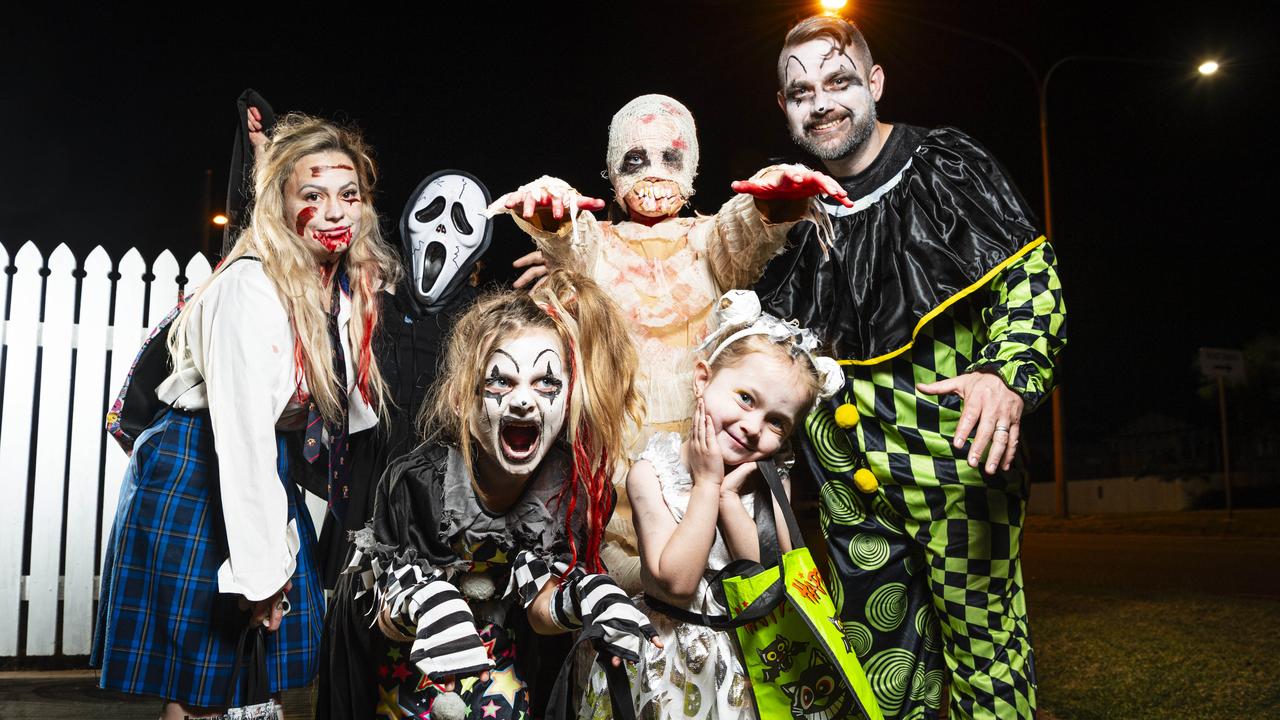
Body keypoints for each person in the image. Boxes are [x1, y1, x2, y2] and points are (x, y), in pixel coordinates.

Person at [753, 15, 1068, 720]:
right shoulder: (783, 212)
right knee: (882, 680)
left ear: (874, 82)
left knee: (988, 670)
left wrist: (1005, 374)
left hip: (955, 472)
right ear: (784, 106)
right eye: (800, 91)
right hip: (846, 491)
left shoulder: (944, 163)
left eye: (838, 82)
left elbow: (1031, 280)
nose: (822, 101)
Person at [91, 114, 402, 718]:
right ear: (279, 205)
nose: (335, 211)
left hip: (260, 466)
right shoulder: (253, 288)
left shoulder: (331, 286)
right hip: (199, 470)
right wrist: (259, 575)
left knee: (261, 680)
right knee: (205, 686)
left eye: (349, 195)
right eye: (312, 196)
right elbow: (241, 439)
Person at [493, 94, 851, 594]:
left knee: (716, 591)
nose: (654, 173)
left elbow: (739, 232)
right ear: (614, 170)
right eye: (636, 159)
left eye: (671, 158)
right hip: (616, 473)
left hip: (707, 460)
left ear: (692, 167)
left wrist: (773, 204)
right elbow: (573, 244)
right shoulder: (600, 242)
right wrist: (553, 218)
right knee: (626, 602)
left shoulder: (706, 240)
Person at [328, 270, 660, 720]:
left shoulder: (563, 490)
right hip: (406, 665)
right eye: (501, 382)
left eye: (546, 383)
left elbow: (541, 609)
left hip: (498, 661)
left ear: (568, 400)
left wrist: (585, 601)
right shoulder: (419, 481)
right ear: (465, 398)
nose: (524, 401)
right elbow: (388, 618)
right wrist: (429, 604)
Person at [577, 290, 844, 720]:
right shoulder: (653, 472)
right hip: (670, 666)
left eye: (777, 421)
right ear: (703, 379)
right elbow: (676, 584)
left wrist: (728, 499)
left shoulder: (772, 483)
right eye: (745, 398)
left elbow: (764, 588)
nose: (754, 427)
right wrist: (707, 483)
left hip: (744, 662)